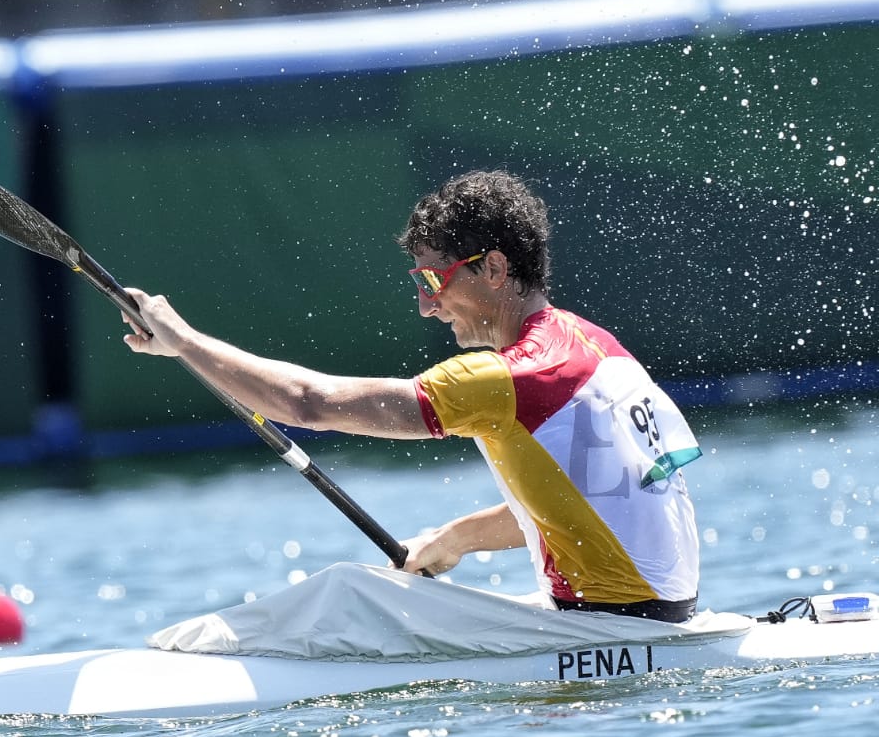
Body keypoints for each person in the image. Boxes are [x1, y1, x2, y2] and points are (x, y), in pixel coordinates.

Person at [122, 170, 702, 620]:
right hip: (659, 617)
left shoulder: (506, 379)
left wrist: (185, 342)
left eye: (432, 280)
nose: (427, 304)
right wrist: (455, 539)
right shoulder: (593, 344)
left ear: (495, 268)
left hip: (608, 626)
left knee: (345, 596)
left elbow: (307, 403)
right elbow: (585, 497)